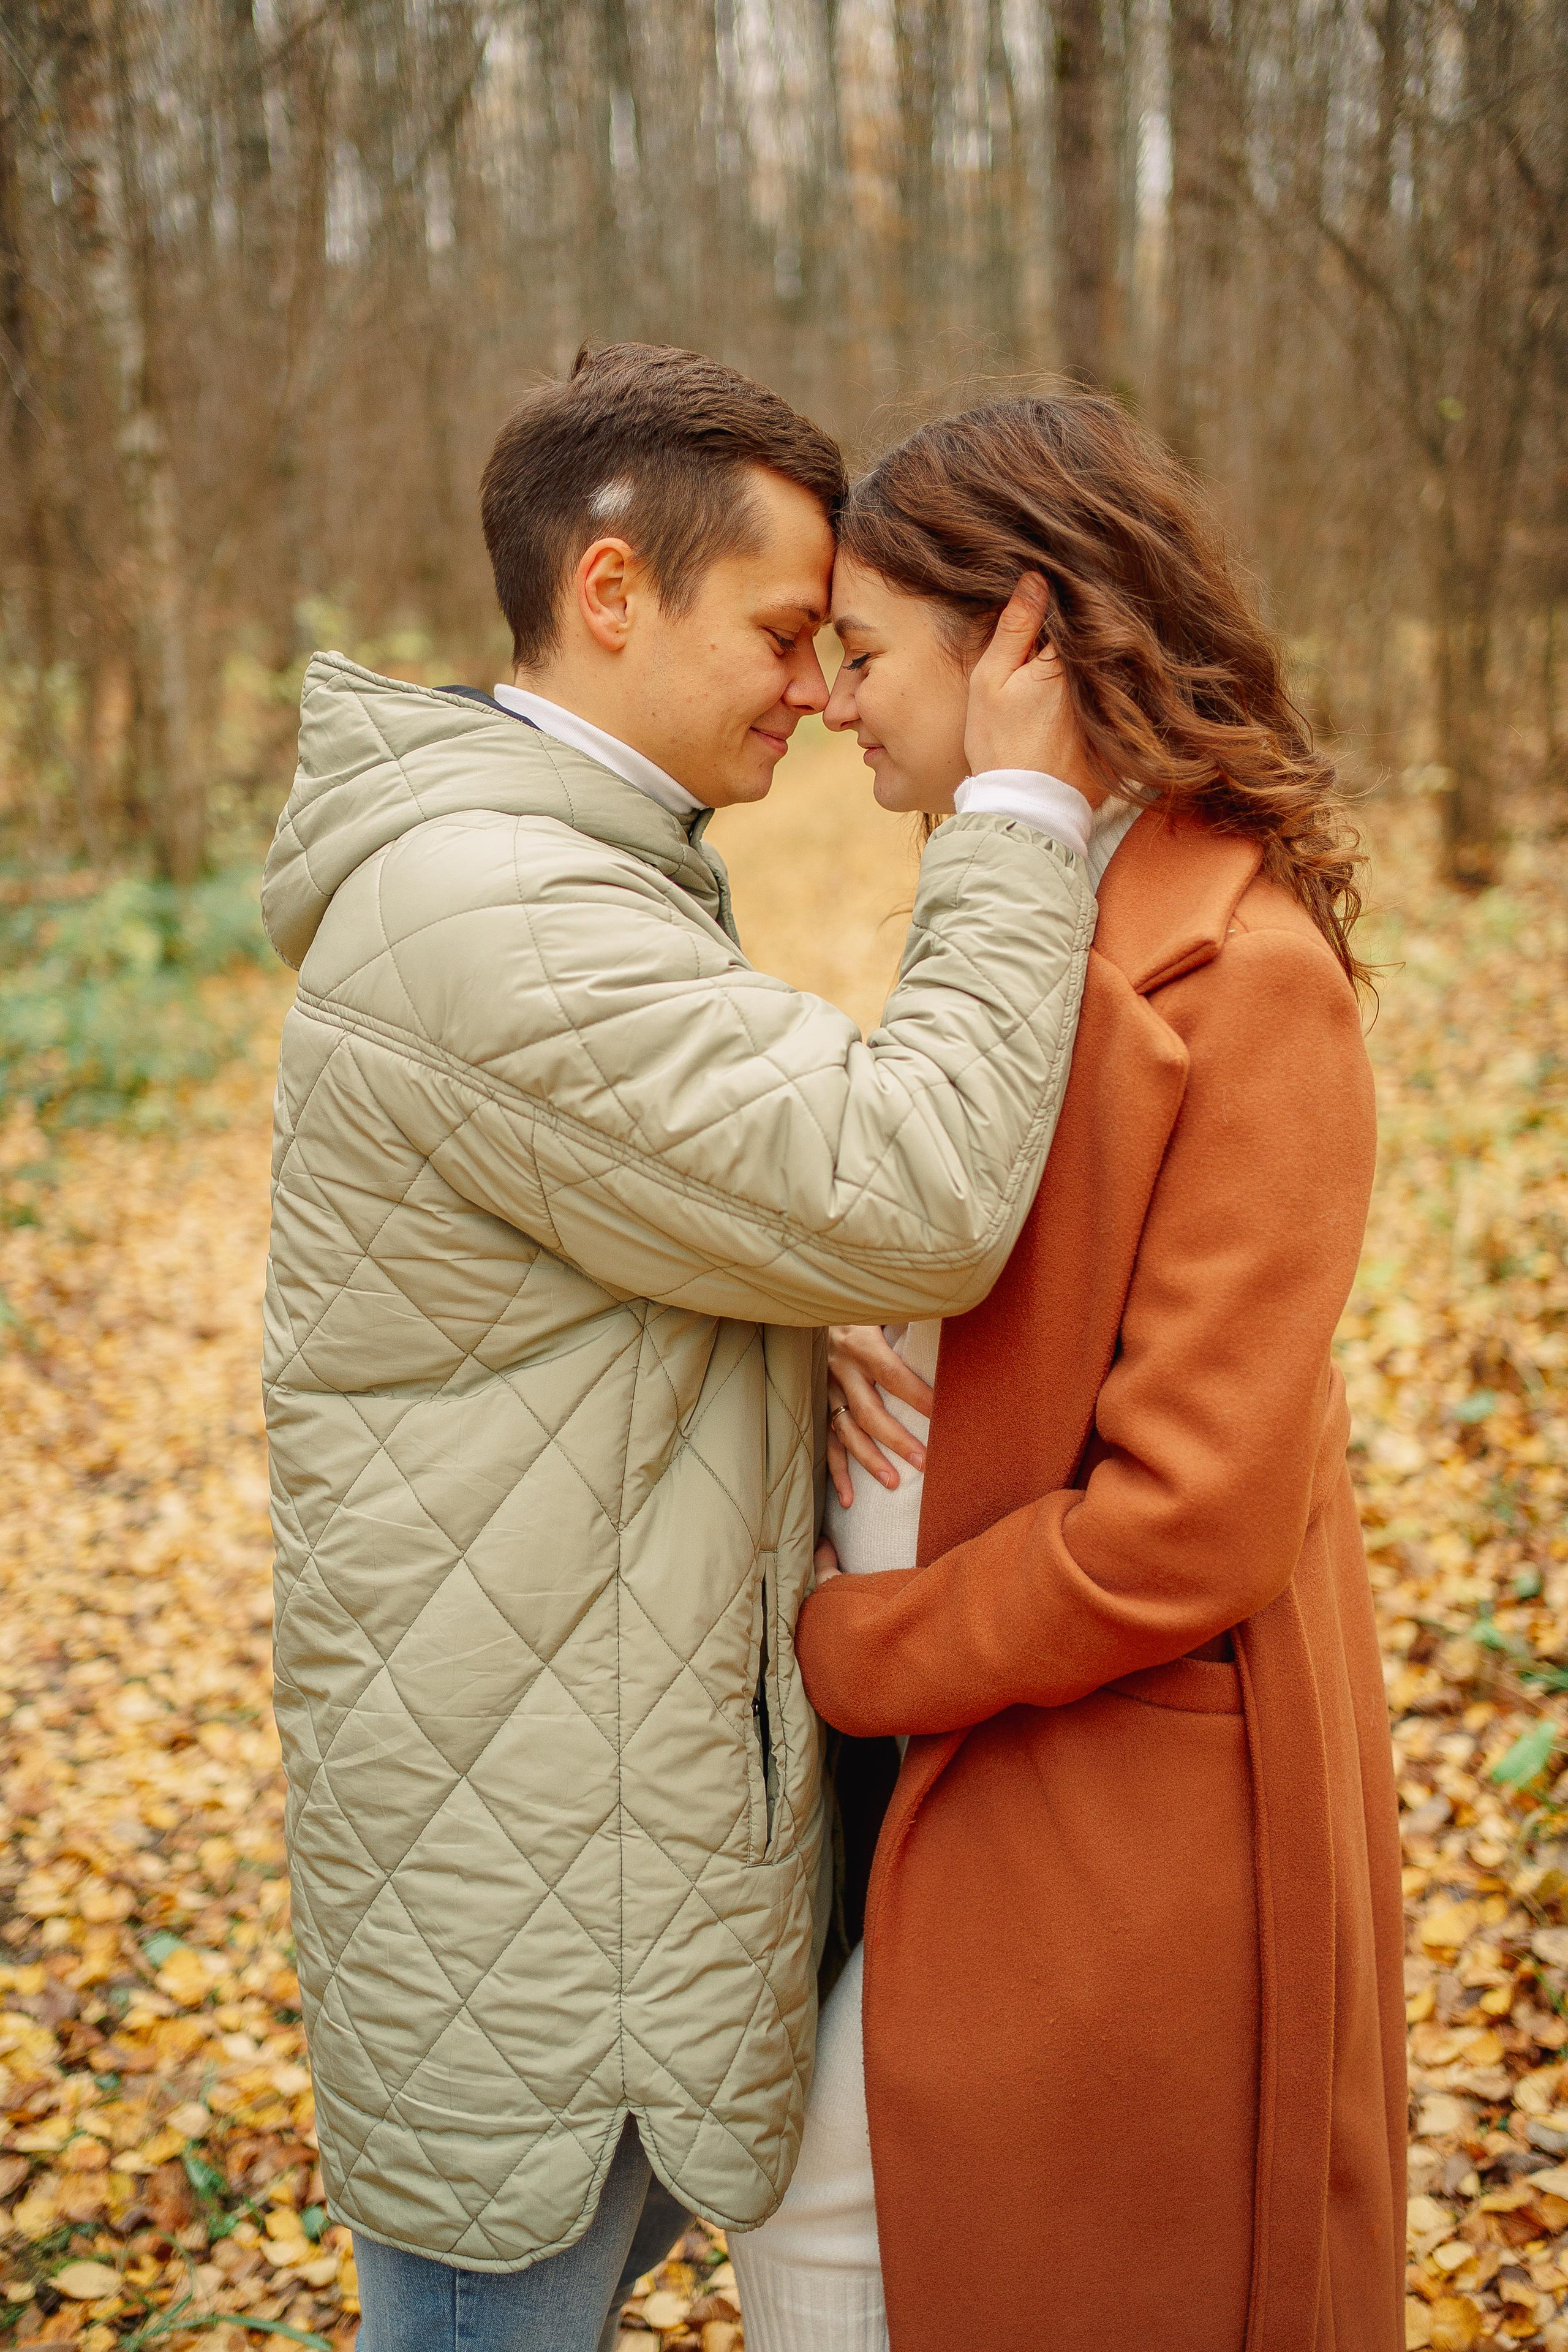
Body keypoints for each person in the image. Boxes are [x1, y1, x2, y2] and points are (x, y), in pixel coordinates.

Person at [258, 344, 1104, 2352]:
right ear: (616, 591)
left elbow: (574, 1278)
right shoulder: (507, 910)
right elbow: (916, 1186)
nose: (817, 692)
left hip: (579, 1833)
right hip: (530, 1872)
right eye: (788, 632)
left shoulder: (570, 876)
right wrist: (1018, 810)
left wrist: (769, 1336)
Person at [729, 394, 1405, 2352]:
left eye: (865, 654)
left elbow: (1189, 1519)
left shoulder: (1244, 970)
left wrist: (856, 1646)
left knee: (933, 2240)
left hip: (1117, 1784)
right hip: (971, 1744)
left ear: (1020, 640)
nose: (837, 703)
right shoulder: (1034, 896)